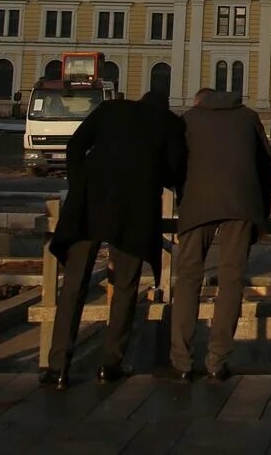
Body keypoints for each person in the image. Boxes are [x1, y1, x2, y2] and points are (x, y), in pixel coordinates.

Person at [41, 90, 185, 387]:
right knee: (125, 286)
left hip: (89, 204)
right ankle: (110, 364)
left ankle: (58, 366)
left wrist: (80, 183)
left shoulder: (110, 110)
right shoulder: (168, 123)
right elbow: (174, 172)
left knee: (73, 285)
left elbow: (75, 146)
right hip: (134, 212)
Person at [168, 87, 271, 382]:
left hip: (197, 204)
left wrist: (183, 196)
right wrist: (261, 213)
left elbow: (175, 164)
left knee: (188, 277)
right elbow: (267, 167)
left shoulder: (188, 119)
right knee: (231, 280)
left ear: (198, 102)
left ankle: (181, 362)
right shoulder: (249, 117)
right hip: (241, 205)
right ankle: (217, 362)